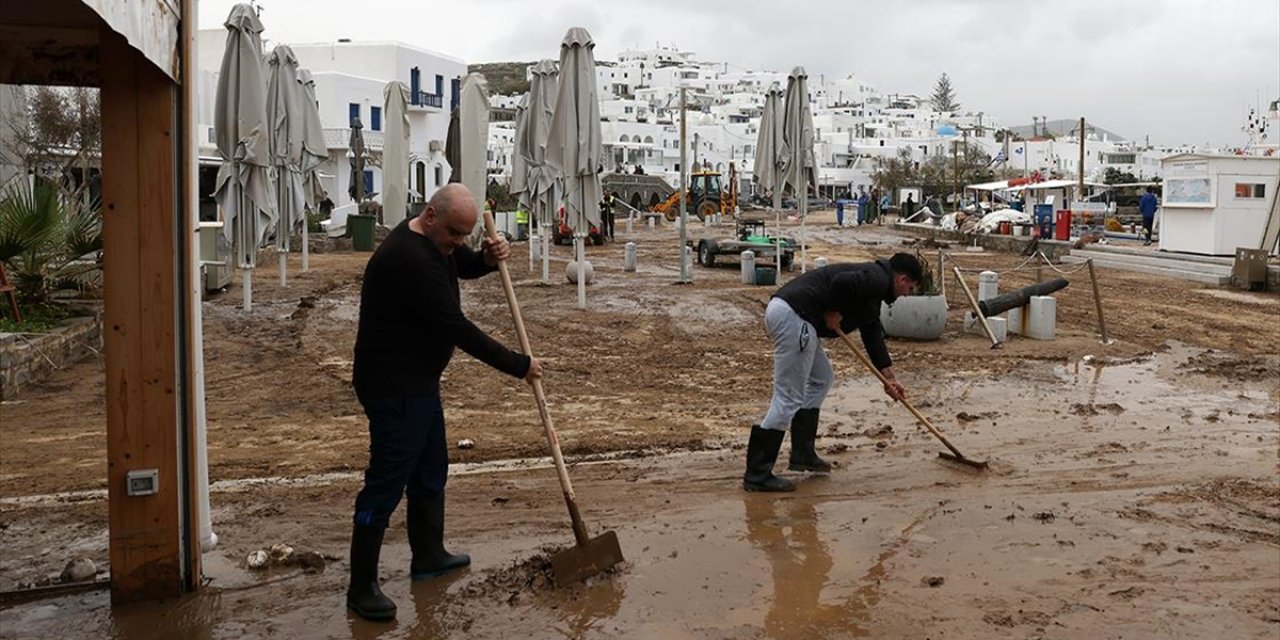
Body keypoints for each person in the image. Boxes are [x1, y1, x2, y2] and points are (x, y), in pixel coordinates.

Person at [346, 183, 544, 621]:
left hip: (419, 382)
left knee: (431, 469)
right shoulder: (407, 258)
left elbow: (457, 264)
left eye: (466, 236)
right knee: (385, 483)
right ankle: (361, 587)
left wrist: (485, 261)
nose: (458, 243)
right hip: (393, 386)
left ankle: (429, 555)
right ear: (430, 215)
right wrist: (518, 364)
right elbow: (457, 327)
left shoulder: (430, 241)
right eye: (455, 233)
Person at [744, 253, 922, 492]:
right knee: (788, 398)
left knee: (821, 379)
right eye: (909, 288)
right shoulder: (878, 279)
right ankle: (757, 474)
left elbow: (872, 333)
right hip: (795, 316)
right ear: (901, 279)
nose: (906, 294)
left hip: (793, 315)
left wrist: (888, 378)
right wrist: (832, 311)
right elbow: (842, 283)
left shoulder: (874, 288)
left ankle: (802, 454)